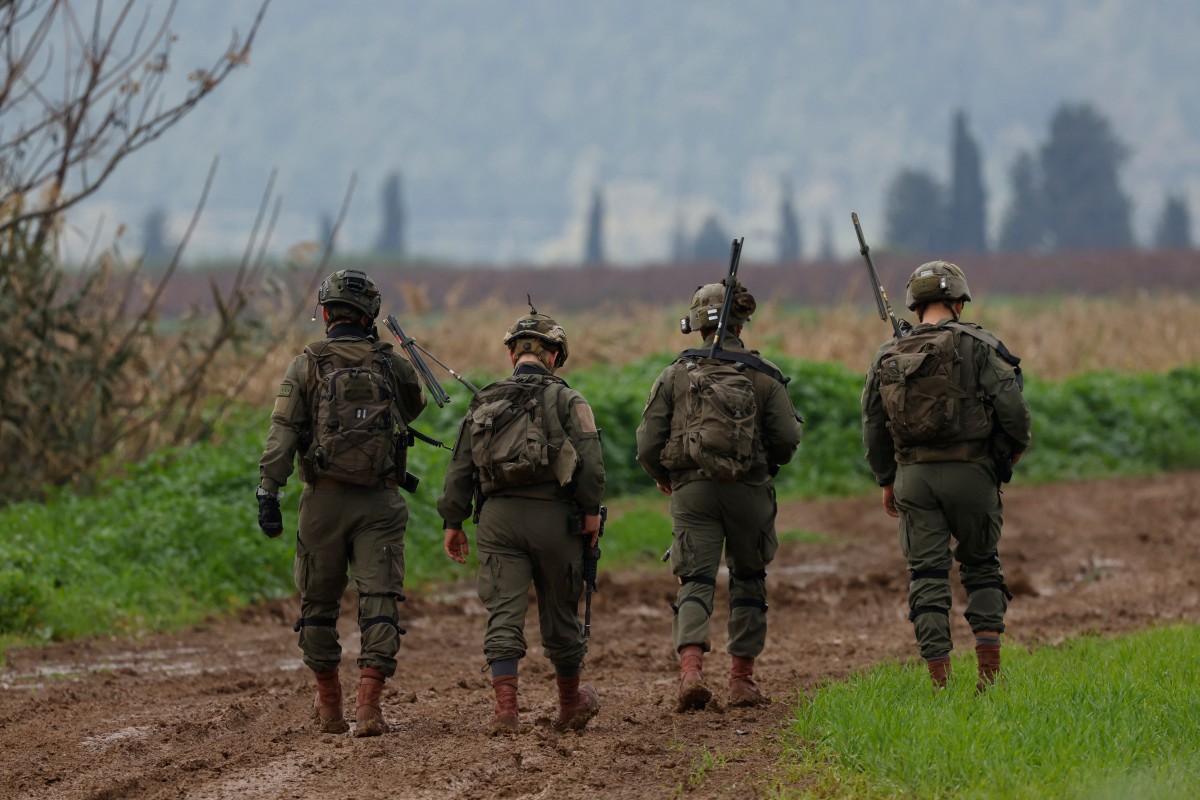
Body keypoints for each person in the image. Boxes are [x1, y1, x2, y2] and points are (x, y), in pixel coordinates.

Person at [257, 269, 427, 736]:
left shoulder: (306, 363)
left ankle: (330, 708)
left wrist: (268, 491)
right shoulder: (389, 363)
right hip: (380, 502)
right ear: (370, 313)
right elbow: (415, 408)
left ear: (326, 312)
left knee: (317, 602)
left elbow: (282, 433)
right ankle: (370, 708)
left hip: (323, 502)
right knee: (380, 600)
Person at [860, 261, 1031, 691]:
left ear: (915, 306)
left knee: (928, 574)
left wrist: (886, 480)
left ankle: (940, 683)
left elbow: (873, 425)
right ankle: (989, 677)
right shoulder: (979, 344)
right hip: (973, 472)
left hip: (913, 477)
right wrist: (1011, 451)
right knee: (981, 565)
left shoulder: (887, 354)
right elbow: (1013, 410)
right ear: (958, 302)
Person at [635, 281, 802, 712]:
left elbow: (647, 444)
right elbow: (786, 438)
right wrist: (766, 468)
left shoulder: (674, 375)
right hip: (750, 489)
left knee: (695, 579)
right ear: (743, 321)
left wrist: (664, 477)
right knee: (749, 578)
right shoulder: (764, 374)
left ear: (696, 323)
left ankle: (691, 672)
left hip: (693, 491)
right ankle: (742, 680)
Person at [438, 305, 605, 734]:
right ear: (554, 355)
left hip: (498, 521)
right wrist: (589, 513)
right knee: (561, 611)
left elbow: (459, 468)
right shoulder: (570, 399)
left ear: (513, 354)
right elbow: (590, 464)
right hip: (556, 520)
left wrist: (453, 521)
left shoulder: (485, 400)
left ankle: (506, 711)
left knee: (503, 612)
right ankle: (570, 704)